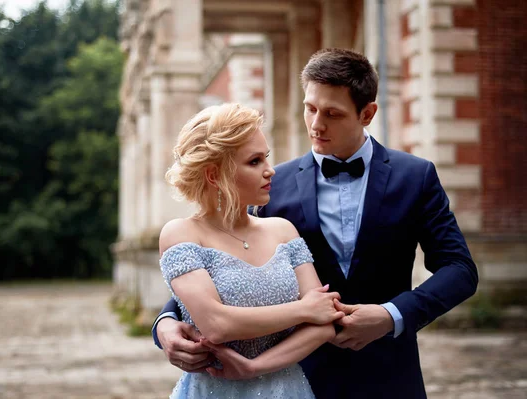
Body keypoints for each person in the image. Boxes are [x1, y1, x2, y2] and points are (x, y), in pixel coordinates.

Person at [153, 48, 479, 399]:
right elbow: (227, 266)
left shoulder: (415, 177)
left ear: (367, 113)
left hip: (389, 374)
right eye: (310, 108)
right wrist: (166, 324)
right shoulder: (270, 186)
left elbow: (459, 269)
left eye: (332, 114)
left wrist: (391, 315)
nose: (316, 124)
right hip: (294, 376)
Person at [157, 102, 346, 398]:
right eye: (255, 161)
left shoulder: (283, 230)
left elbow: (323, 326)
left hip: (288, 389)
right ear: (213, 174)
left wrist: (254, 367)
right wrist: (303, 309)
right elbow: (217, 325)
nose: (270, 171)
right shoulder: (181, 234)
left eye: (266, 158)